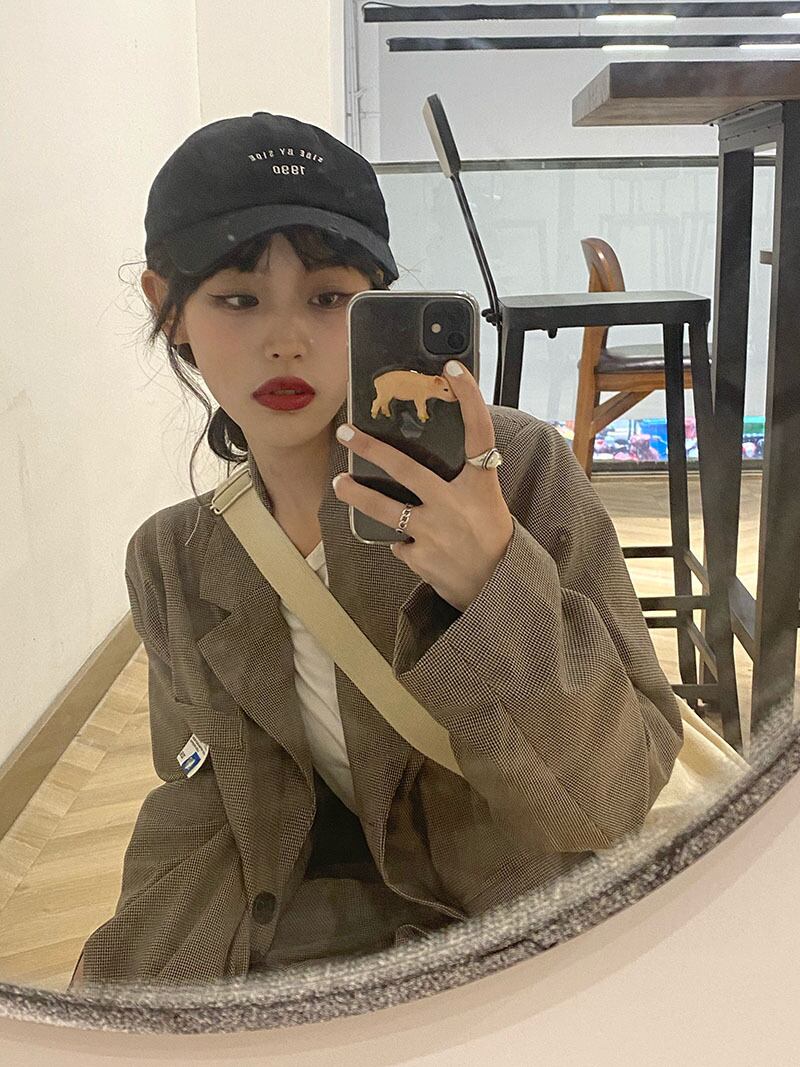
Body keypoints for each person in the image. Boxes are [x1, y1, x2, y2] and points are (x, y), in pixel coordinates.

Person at [69, 112, 683, 990]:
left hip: (517, 944)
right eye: (239, 298)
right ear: (167, 308)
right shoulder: (173, 559)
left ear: (378, 307)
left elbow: (611, 798)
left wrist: (493, 583)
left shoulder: (515, 471)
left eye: (327, 297)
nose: (285, 338)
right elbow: (203, 802)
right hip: (305, 941)